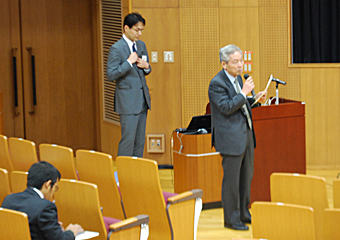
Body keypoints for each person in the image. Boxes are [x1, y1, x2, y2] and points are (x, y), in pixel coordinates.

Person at [208, 44, 267, 231]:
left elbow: (240, 105)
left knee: (246, 177)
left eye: (241, 60)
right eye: (236, 62)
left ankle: (243, 212)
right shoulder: (217, 83)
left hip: (246, 135)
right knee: (231, 181)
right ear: (224, 64)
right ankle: (231, 219)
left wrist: (254, 99)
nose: (240, 65)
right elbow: (226, 107)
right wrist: (244, 93)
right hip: (230, 138)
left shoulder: (238, 79)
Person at [106, 12, 151, 157]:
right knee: (128, 140)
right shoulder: (116, 49)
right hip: (127, 102)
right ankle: (124, 175)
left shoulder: (141, 45)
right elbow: (111, 74)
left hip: (142, 100)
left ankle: (136, 174)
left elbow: (145, 69)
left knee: (139, 141)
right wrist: (128, 63)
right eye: (136, 30)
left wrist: (147, 66)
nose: (139, 33)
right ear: (126, 28)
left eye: (141, 30)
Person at [1, 161, 83, 240]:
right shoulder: (45, 207)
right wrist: (71, 232)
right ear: (47, 185)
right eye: (55, 188)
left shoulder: (9, 199)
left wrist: (53, 227)